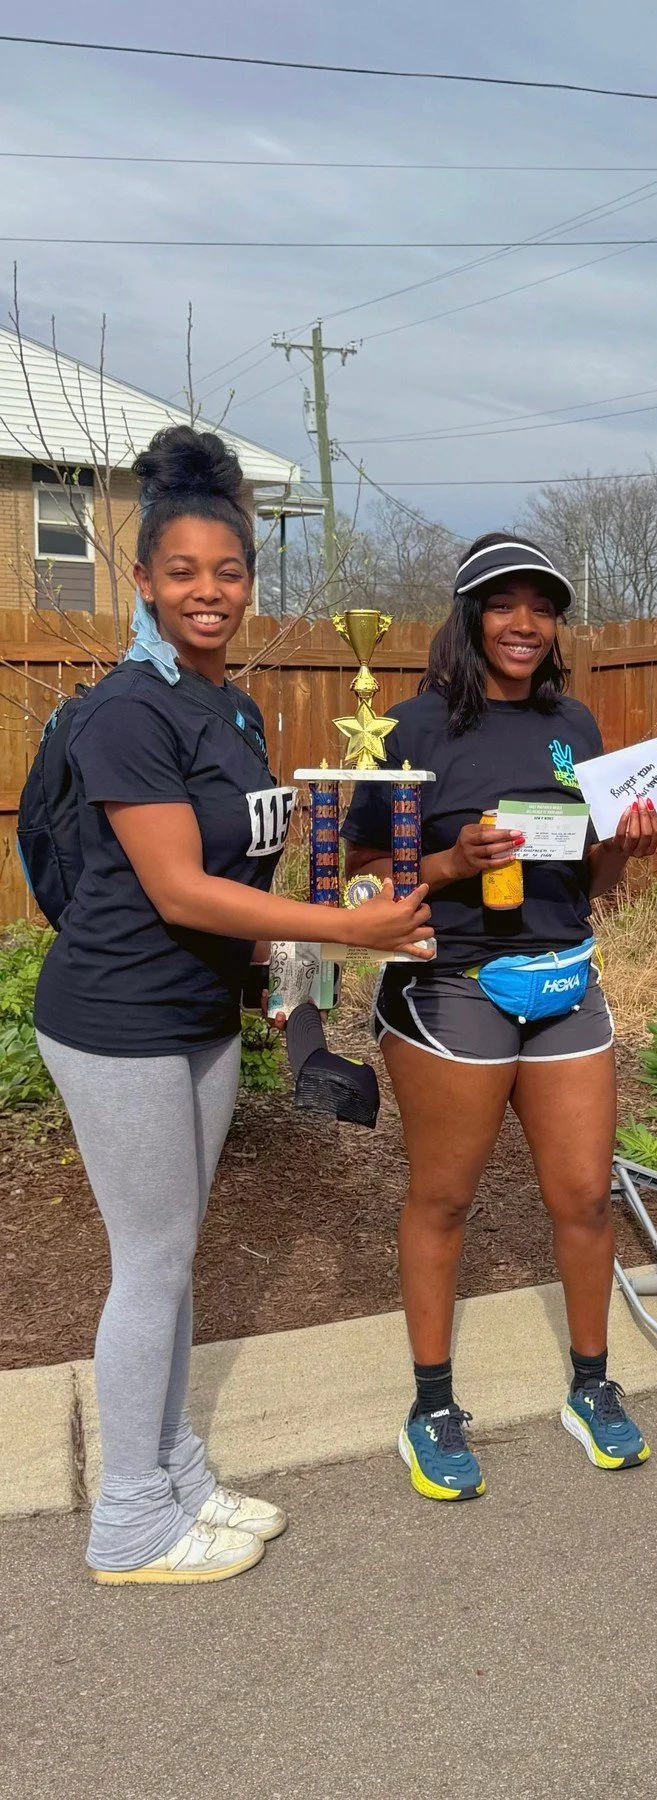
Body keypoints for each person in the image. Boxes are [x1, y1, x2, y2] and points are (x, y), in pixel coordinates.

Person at [31, 425, 432, 1585]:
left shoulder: (234, 711)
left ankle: (172, 1473)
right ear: (147, 582)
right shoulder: (126, 712)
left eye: (230, 572)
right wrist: (348, 928)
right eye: (183, 573)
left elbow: (243, 882)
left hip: (198, 1011)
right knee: (150, 1261)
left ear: (250, 582)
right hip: (115, 1016)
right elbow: (174, 885)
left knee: (176, 1253)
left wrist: (283, 977)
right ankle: (126, 1522)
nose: (210, 593)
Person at [343, 533, 657, 1503]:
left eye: (543, 607)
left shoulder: (578, 726)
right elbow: (355, 880)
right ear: (468, 615)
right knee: (444, 1200)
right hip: (450, 990)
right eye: (504, 604)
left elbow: (592, 884)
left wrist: (626, 847)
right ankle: (432, 1405)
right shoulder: (410, 731)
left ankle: (591, 1386)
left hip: (565, 980)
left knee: (584, 1197)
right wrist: (449, 866)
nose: (525, 625)